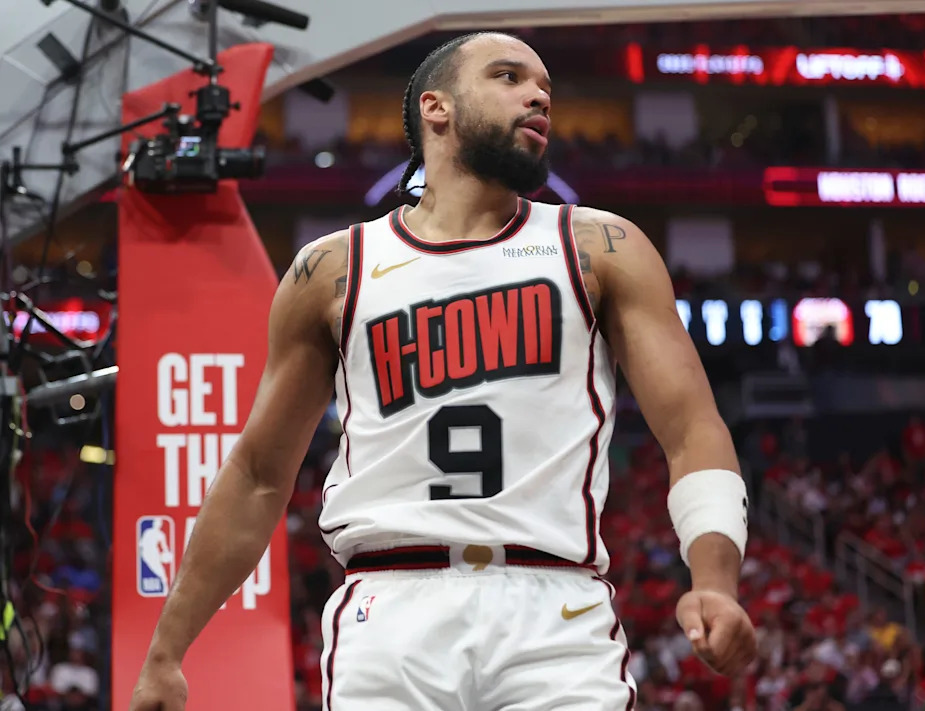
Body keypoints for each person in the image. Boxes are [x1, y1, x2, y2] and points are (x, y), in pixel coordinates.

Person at [130, 31, 756, 710]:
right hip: (389, 605)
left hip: (555, 609)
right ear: (437, 107)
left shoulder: (601, 246)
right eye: (509, 76)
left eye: (545, 85)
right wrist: (167, 649)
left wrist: (715, 578)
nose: (538, 95)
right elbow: (256, 476)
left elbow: (692, 428)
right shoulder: (331, 269)